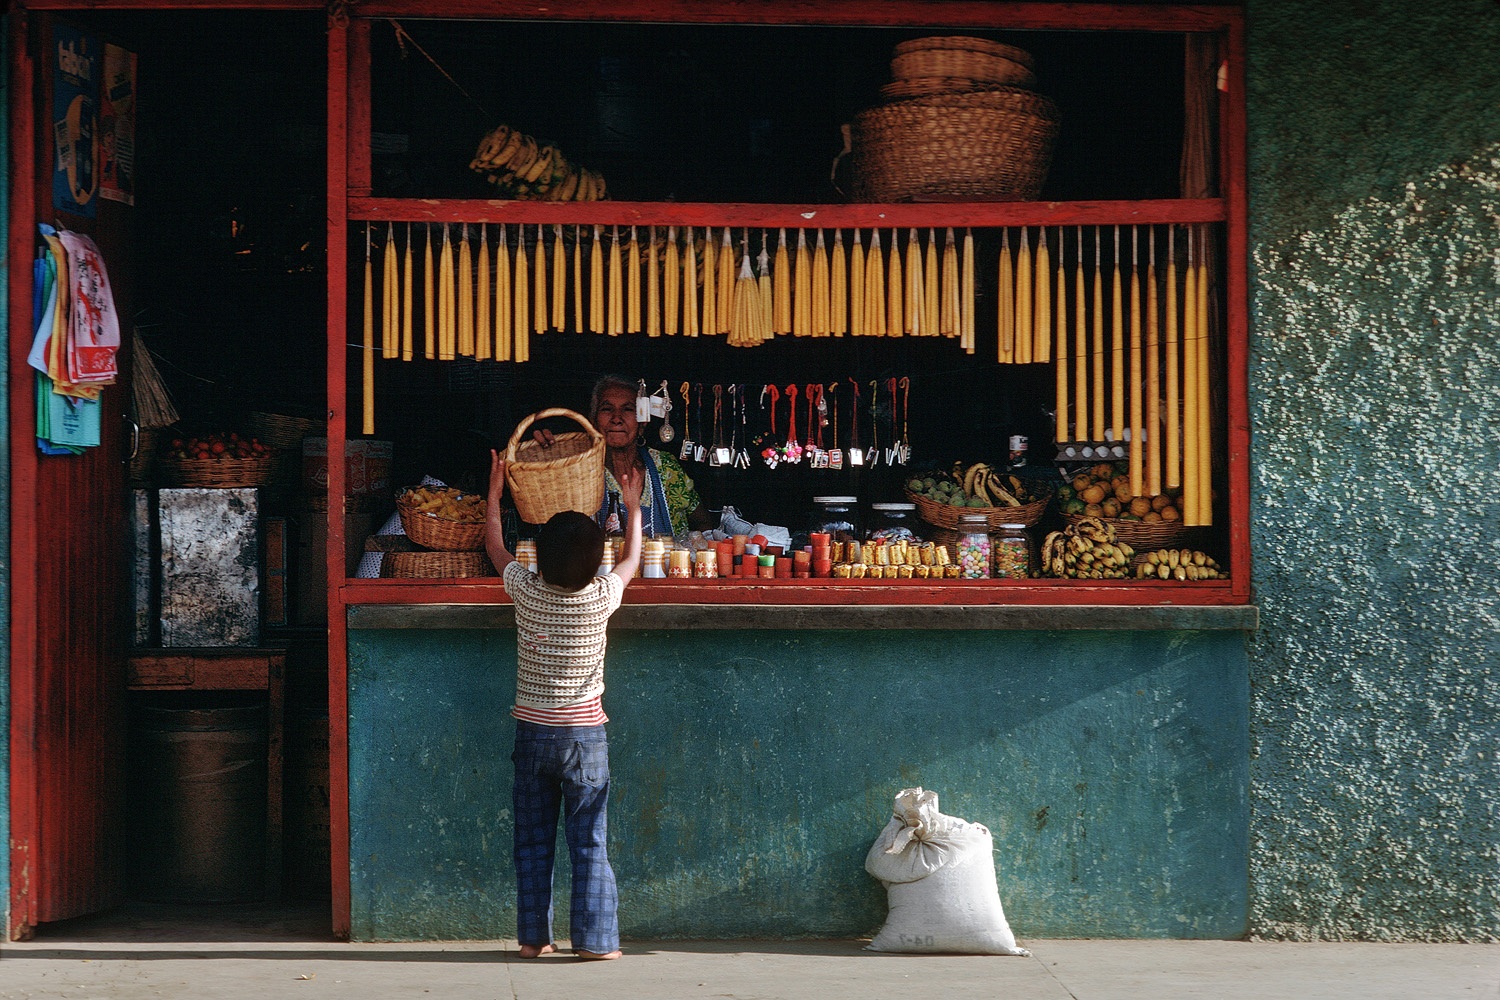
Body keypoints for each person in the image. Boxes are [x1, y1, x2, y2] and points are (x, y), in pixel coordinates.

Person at [485, 447, 644, 961]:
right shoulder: (600, 596)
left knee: (532, 843)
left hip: (532, 737)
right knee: (590, 842)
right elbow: (633, 560)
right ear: (596, 560)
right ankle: (596, 943)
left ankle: (534, 939)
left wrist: (495, 494)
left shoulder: (526, 592)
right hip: (585, 742)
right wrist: (634, 506)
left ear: (541, 557)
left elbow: (494, 547)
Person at [533, 374, 711, 542]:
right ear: (593, 421)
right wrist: (547, 456)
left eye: (628, 409)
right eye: (606, 409)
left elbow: (703, 523)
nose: (616, 418)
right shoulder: (577, 468)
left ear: (642, 422)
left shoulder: (666, 467)